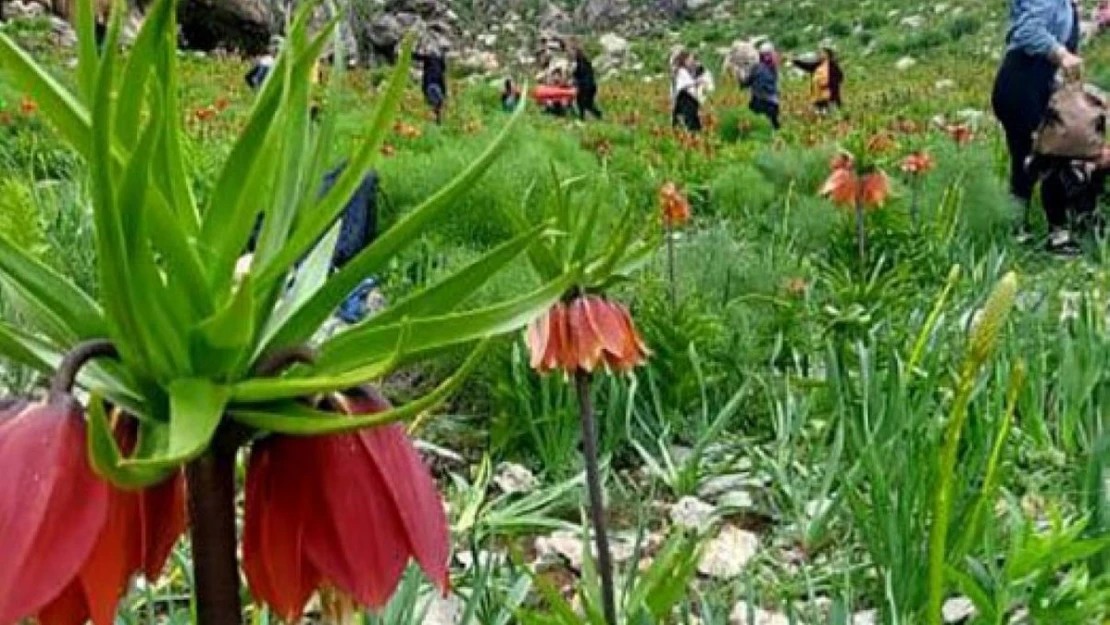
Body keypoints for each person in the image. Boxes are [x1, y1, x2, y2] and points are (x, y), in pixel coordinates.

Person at [993, 0, 1083, 252]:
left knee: (1034, 156)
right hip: (1021, 83)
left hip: (1038, 82)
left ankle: (1022, 228)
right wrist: (1062, 53)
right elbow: (1027, 30)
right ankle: (1055, 234)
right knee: (1045, 154)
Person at [792, 44, 844, 113]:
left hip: (830, 97)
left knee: (831, 115)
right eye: (819, 53)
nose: (819, 54)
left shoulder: (833, 65)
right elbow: (807, 66)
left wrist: (827, 84)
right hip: (818, 97)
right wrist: (796, 61)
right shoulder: (818, 64)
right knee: (820, 115)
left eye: (821, 53)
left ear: (827, 54)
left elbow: (840, 78)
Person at [743, 42, 781, 130]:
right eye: (765, 55)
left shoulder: (761, 68)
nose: (767, 57)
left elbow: (746, 82)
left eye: (768, 55)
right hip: (764, 101)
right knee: (769, 124)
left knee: (768, 123)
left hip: (765, 101)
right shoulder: (768, 67)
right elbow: (748, 81)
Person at [413, 47, 448, 125]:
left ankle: (433, 121)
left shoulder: (429, 58)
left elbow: (417, 57)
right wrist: (445, 94)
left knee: (431, 104)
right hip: (435, 86)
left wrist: (409, 52)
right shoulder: (440, 66)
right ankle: (437, 121)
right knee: (438, 104)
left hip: (429, 85)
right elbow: (443, 83)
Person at [671, 51, 702, 132]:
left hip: (688, 100)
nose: (692, 62)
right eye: (689, 60)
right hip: (685, 100)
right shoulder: (681, 71)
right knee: (689, 122)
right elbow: (683, 85)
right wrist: (696, 83)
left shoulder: (686, 71)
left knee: (690, 121)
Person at [572, 45, 603, 120]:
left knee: (584, 103)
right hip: (587, 85)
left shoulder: (582, 62)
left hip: (587, 86)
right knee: (583, 103)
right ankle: (583, 117)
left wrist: (576, 80)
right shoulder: (582, 61)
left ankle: (596, 115)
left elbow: (582, 74)